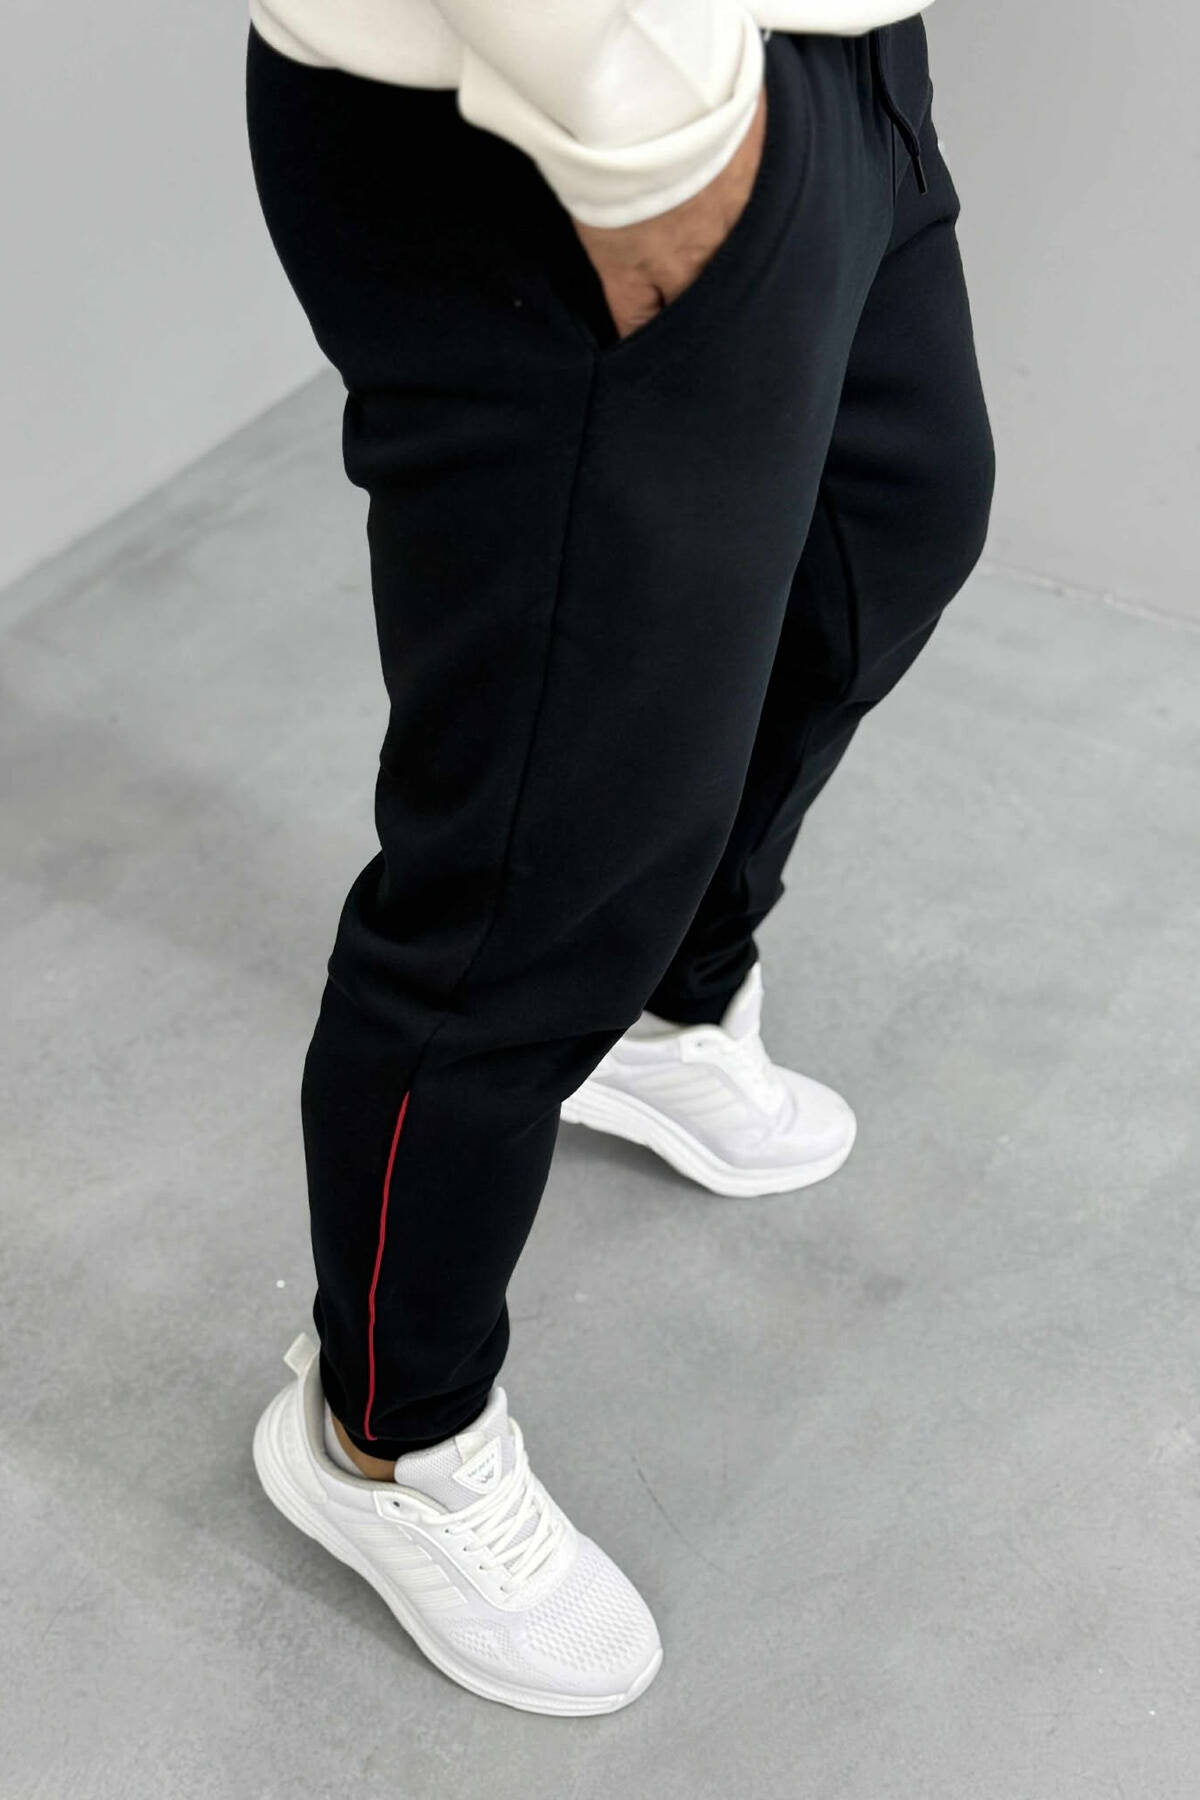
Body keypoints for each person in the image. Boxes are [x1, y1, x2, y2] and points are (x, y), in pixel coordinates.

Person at [244, 0, 995, 1716]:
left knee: (888, 533)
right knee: (537, 846)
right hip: (563, 118)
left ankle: (667, 1006)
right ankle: (385, 1429)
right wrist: (657, 135)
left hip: (832, 57)